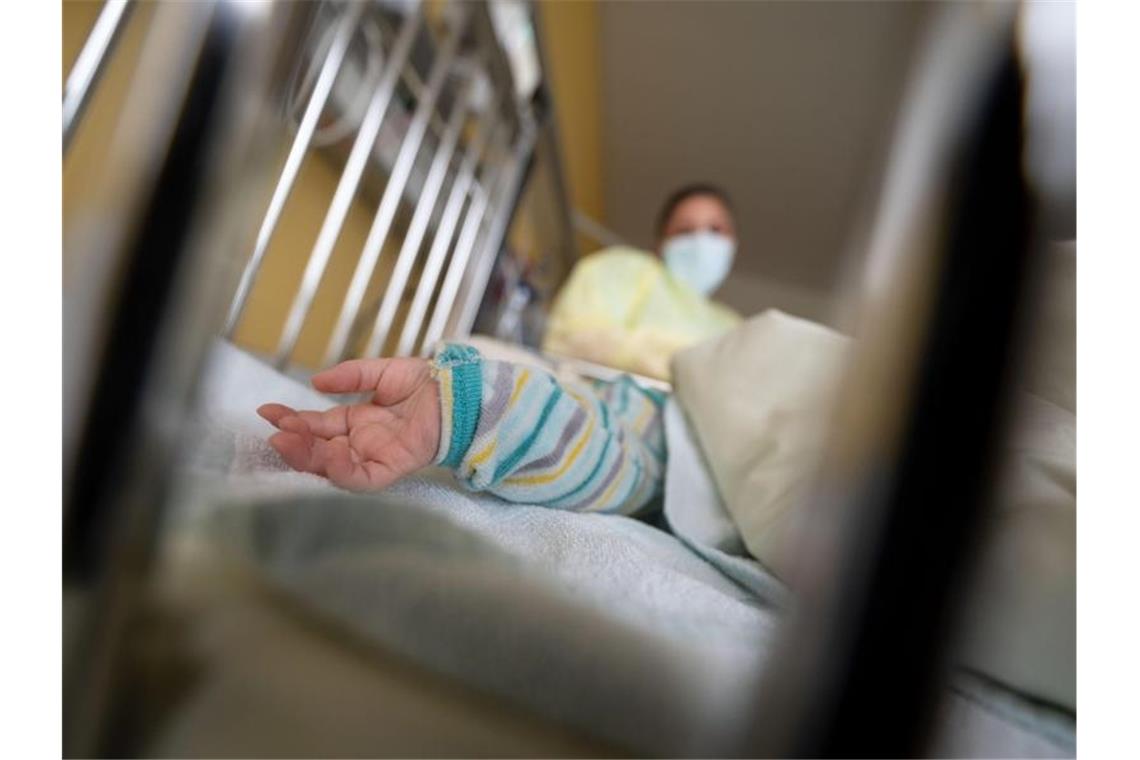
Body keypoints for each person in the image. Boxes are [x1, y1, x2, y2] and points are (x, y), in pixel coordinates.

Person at [258, 342, 666, 515]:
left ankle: (485, 405)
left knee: (616, 465)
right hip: (605, 394)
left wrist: (472, 408)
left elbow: (627, 474)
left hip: (654, 431)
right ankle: (478, 403)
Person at [540, 183, 742, 380]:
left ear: (733, 242)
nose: (701, 241)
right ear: (662, 243)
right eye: (685, 230)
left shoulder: (735, 327)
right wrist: (681, 363)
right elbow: (569, 339)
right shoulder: (621, 271)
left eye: (715, 229)